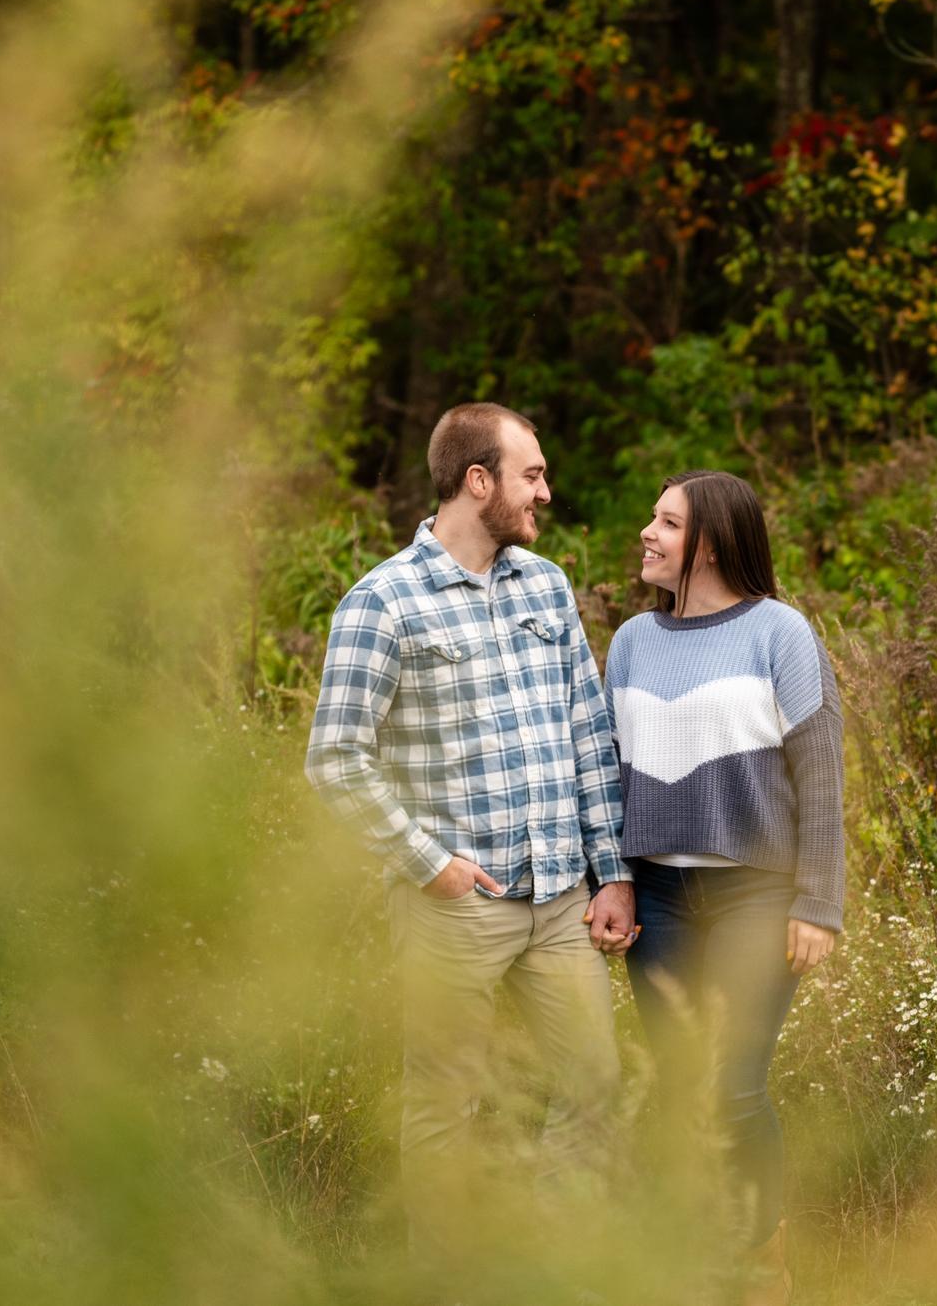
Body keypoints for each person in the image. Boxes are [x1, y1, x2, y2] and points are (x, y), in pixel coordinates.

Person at [304, 401, 636, 1262]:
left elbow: (587, 731)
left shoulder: (547, 586)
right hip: (453, 910)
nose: (546, 493)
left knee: (594, 1081)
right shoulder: (383, 603)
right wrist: (429, 863)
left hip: (560, 899)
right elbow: (335, 758)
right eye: (533, 475)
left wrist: (611, 871)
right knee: (444, 1104)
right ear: (478, 481)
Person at [605, 470, 844, 1306]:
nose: (648, 532)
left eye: (667, 522)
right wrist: (612, 880)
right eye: (653, 517)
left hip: (757, 896)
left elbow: (821, 776)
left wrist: (818, 901)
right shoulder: (632, 641)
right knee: (677, 1088)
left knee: (732, 1086)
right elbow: (610, 774)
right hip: (658, 896)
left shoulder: (780, 632)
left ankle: (760, 1267)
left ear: (709, 542)